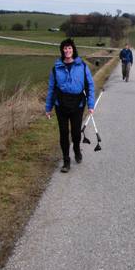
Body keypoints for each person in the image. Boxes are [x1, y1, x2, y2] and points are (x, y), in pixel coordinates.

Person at [45, 38, 95, 173]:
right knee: (63, 133)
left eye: (69, 48)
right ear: (62, 50)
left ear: (73, 50)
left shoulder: (82, 66)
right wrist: (48, 108)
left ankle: (77, 149)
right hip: (60, 104)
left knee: (75, 132)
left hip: (78, 104)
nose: (67, 50)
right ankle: (66, 161)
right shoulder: (56, 68)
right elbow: (51, 89)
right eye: (65, 48)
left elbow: (89, 85)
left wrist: (91, 104)